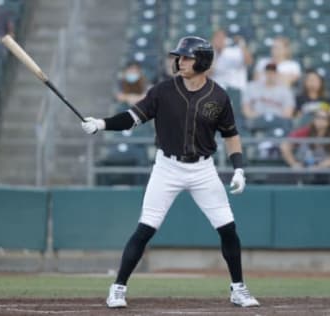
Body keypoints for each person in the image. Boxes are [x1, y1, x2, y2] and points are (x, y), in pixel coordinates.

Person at [81, 36, 259, 309]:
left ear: (203, 61)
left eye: (186, 57)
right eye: (180, 57)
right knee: (145, 229)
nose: (180, 61)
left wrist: (239, 168)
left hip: (203, 169)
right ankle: (117, 288)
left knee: (228, 229)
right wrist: (101, 124)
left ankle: (238, 289)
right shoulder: (162, 91)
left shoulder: (219, 96)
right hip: (167, 167)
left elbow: (231, 135)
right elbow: (132, 117)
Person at [209, 29, 252, 94]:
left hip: (237, 89)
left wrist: (242, 45)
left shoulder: (235, 51)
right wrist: (216, 54)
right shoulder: (209, 55)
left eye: (222, 38)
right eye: (217, 38)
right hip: (217, 92)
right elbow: (207, 74)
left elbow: (249, 62)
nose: (220, 41)